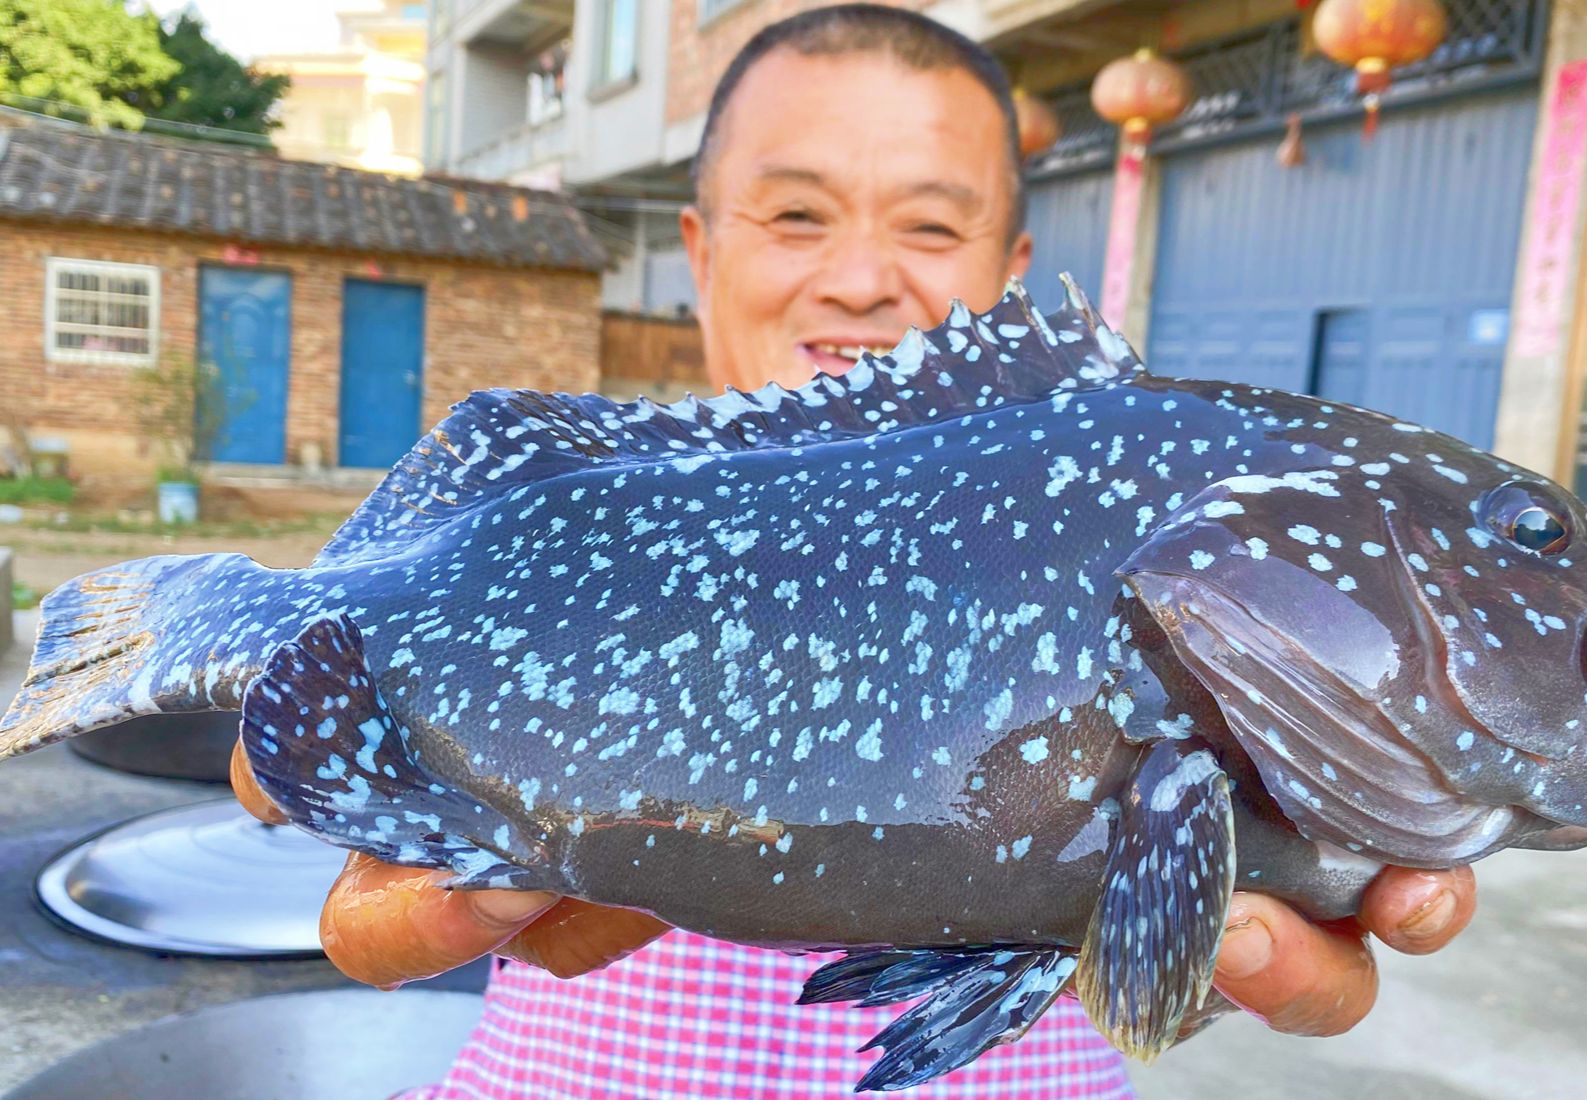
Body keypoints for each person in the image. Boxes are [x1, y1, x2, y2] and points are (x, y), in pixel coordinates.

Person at [231, 7, 1478, 1097]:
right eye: (794, 214)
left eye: (930, 227)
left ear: (1012, 273)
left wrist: (1186, 952)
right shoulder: (577, 515)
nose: (863, 277)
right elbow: (304, 746)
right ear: (700, 245)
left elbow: (1176, 906)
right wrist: (357, 804)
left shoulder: (1135, 500)